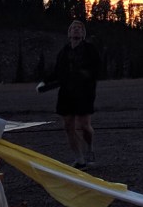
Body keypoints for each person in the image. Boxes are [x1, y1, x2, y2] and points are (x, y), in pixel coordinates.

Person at [37, 18, 102, 168]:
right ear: (69, 33)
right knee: (68, 125)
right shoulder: (63, 52)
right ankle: (79, 159)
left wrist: (83, 75)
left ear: (83, 33)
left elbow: (97, 69)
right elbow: (57, 72)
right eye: (73, 28)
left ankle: (89, 148)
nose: (76, 29)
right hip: (66, 93)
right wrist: (44, 82)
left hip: (84, 93)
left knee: (85, 125)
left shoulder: (90, 49)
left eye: (79, 28)